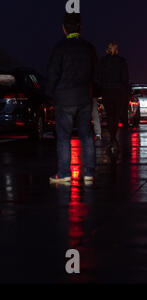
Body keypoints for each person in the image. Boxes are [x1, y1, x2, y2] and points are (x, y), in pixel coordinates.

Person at [47, 13, 97, 184]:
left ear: (64, 28)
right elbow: (95, 75)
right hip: (84, 97)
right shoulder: (89, 48)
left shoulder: (59, 48)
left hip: (64, 98)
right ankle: (89, 172)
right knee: (86, 135)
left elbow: (53, 74)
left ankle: (63, 173)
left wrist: (50, 93)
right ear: (80, 28)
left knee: (63, 137)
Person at [96, 42, 130, 154]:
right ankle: (113, 136)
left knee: (110, 114)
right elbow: (125, 78)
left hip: (107, 91)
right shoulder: (121, 61)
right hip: (118, 91)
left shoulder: (102, 62)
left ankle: (112, 136)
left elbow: (99, 77)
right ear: (116, 50)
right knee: (116, 115)